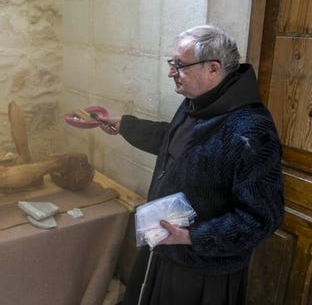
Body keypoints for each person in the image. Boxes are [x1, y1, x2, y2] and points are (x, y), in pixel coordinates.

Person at [95, 25, 284, 304]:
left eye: (180, 65)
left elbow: (261, 218)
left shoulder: (251, 130)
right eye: (173, 63)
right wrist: (127, 126)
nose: (172, 72)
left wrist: (191, 236)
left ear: (213, 68)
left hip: (202, 270)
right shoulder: (197, 100)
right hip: (166, 247)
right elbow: (174, 140)